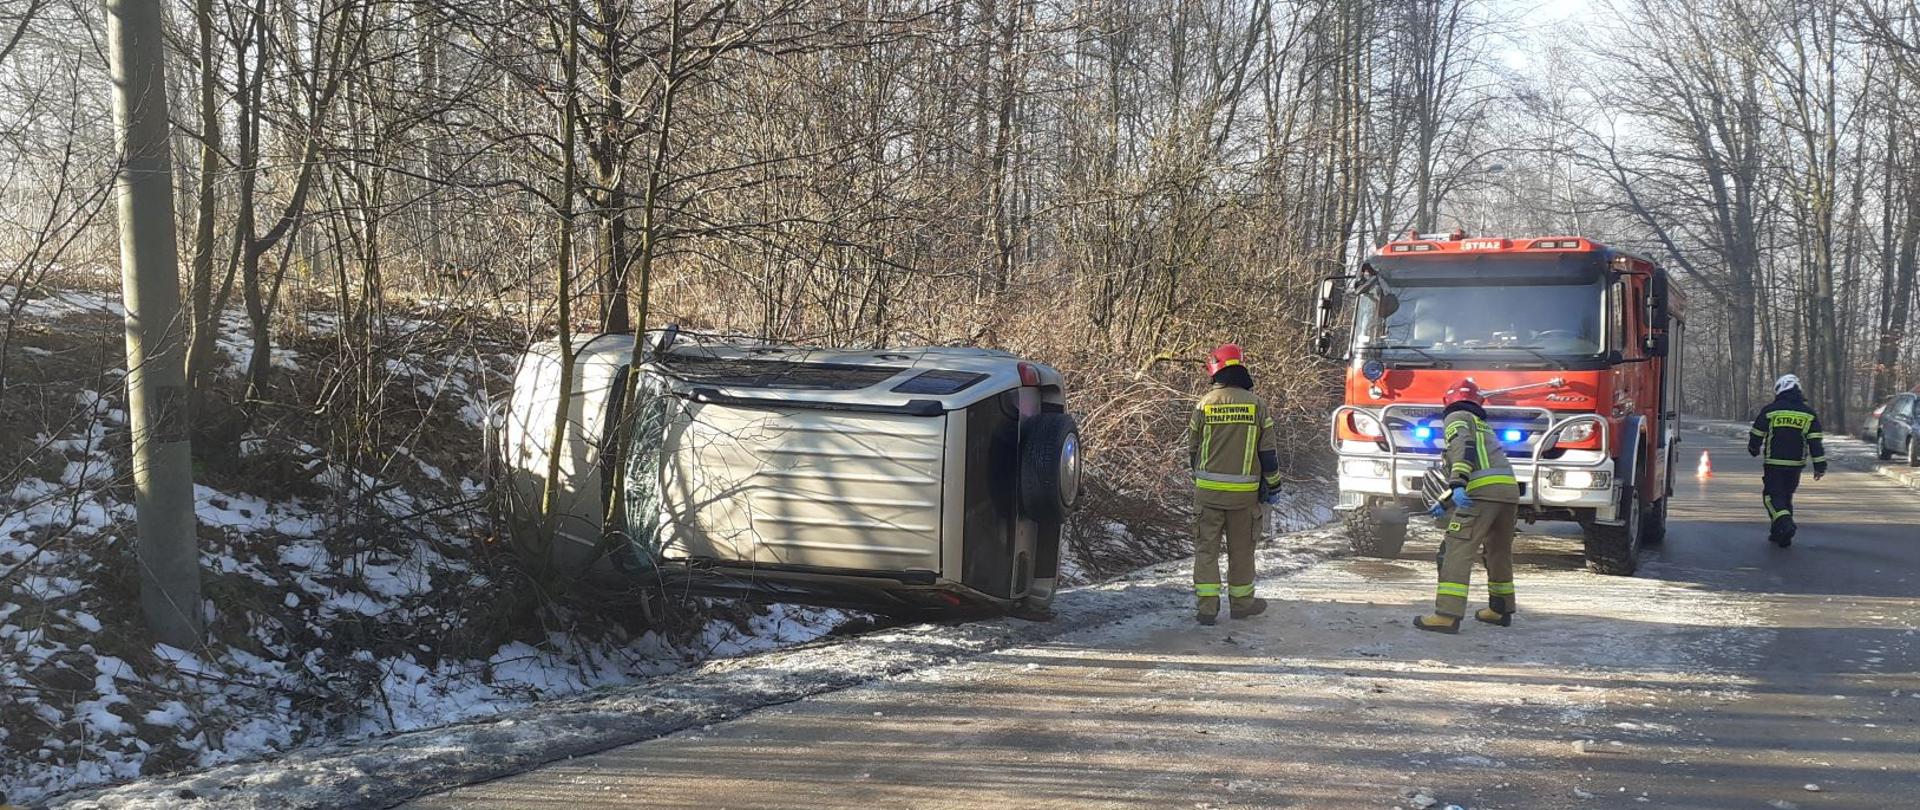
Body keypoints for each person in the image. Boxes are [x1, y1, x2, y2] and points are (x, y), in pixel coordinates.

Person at [1414, 379, 1522, 635]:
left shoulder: (1457, 418)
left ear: (1447, 401)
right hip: (1507, 492)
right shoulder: (1483, 425)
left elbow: (1463, 450)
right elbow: (1479, 466)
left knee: (1457, 548)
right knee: (1498, 551)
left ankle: (1447, 615)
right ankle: (1500, 609)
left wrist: (1458, 484)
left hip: (1481, 494)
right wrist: (1445, 501)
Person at [1187, 344, 1284, 625]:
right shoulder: (1257, 406)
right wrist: (1273, 486)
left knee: (1207, 551)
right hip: (1244, 498)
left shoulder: (1204, 404)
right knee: (1242, 552)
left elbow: (1193, 449)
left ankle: (1207, 609)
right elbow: (1267, 453)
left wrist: (1201, 480)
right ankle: (1241, 604)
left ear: (1215, 371)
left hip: (1207, 496)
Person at [1748, 374, 1827, 547]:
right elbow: (1815, 442)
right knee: (1786, 497)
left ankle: (1785, 524)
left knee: (1771, 497)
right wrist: (1819, 466)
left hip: (1774, 463)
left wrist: (1753, 448)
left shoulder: (1771, 410)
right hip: (1796, 465)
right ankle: (1779, 534)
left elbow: (1757, 433)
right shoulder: (1809, 414)